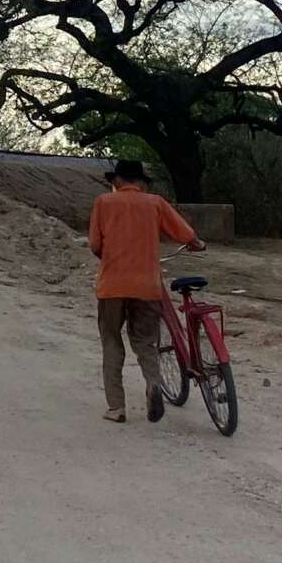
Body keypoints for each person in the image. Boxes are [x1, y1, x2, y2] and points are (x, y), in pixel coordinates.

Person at [86, 159, 204, 423]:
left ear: (117, 181)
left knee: (112, 341)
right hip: (147, 286)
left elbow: (95, 245)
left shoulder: (103, 202)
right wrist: (195, 243)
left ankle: (116, 408)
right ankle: (153, 384)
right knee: (145, 342)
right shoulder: (155, 203)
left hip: (112, 286)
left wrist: (111, 257)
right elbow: (185, 234)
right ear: (141, 182)